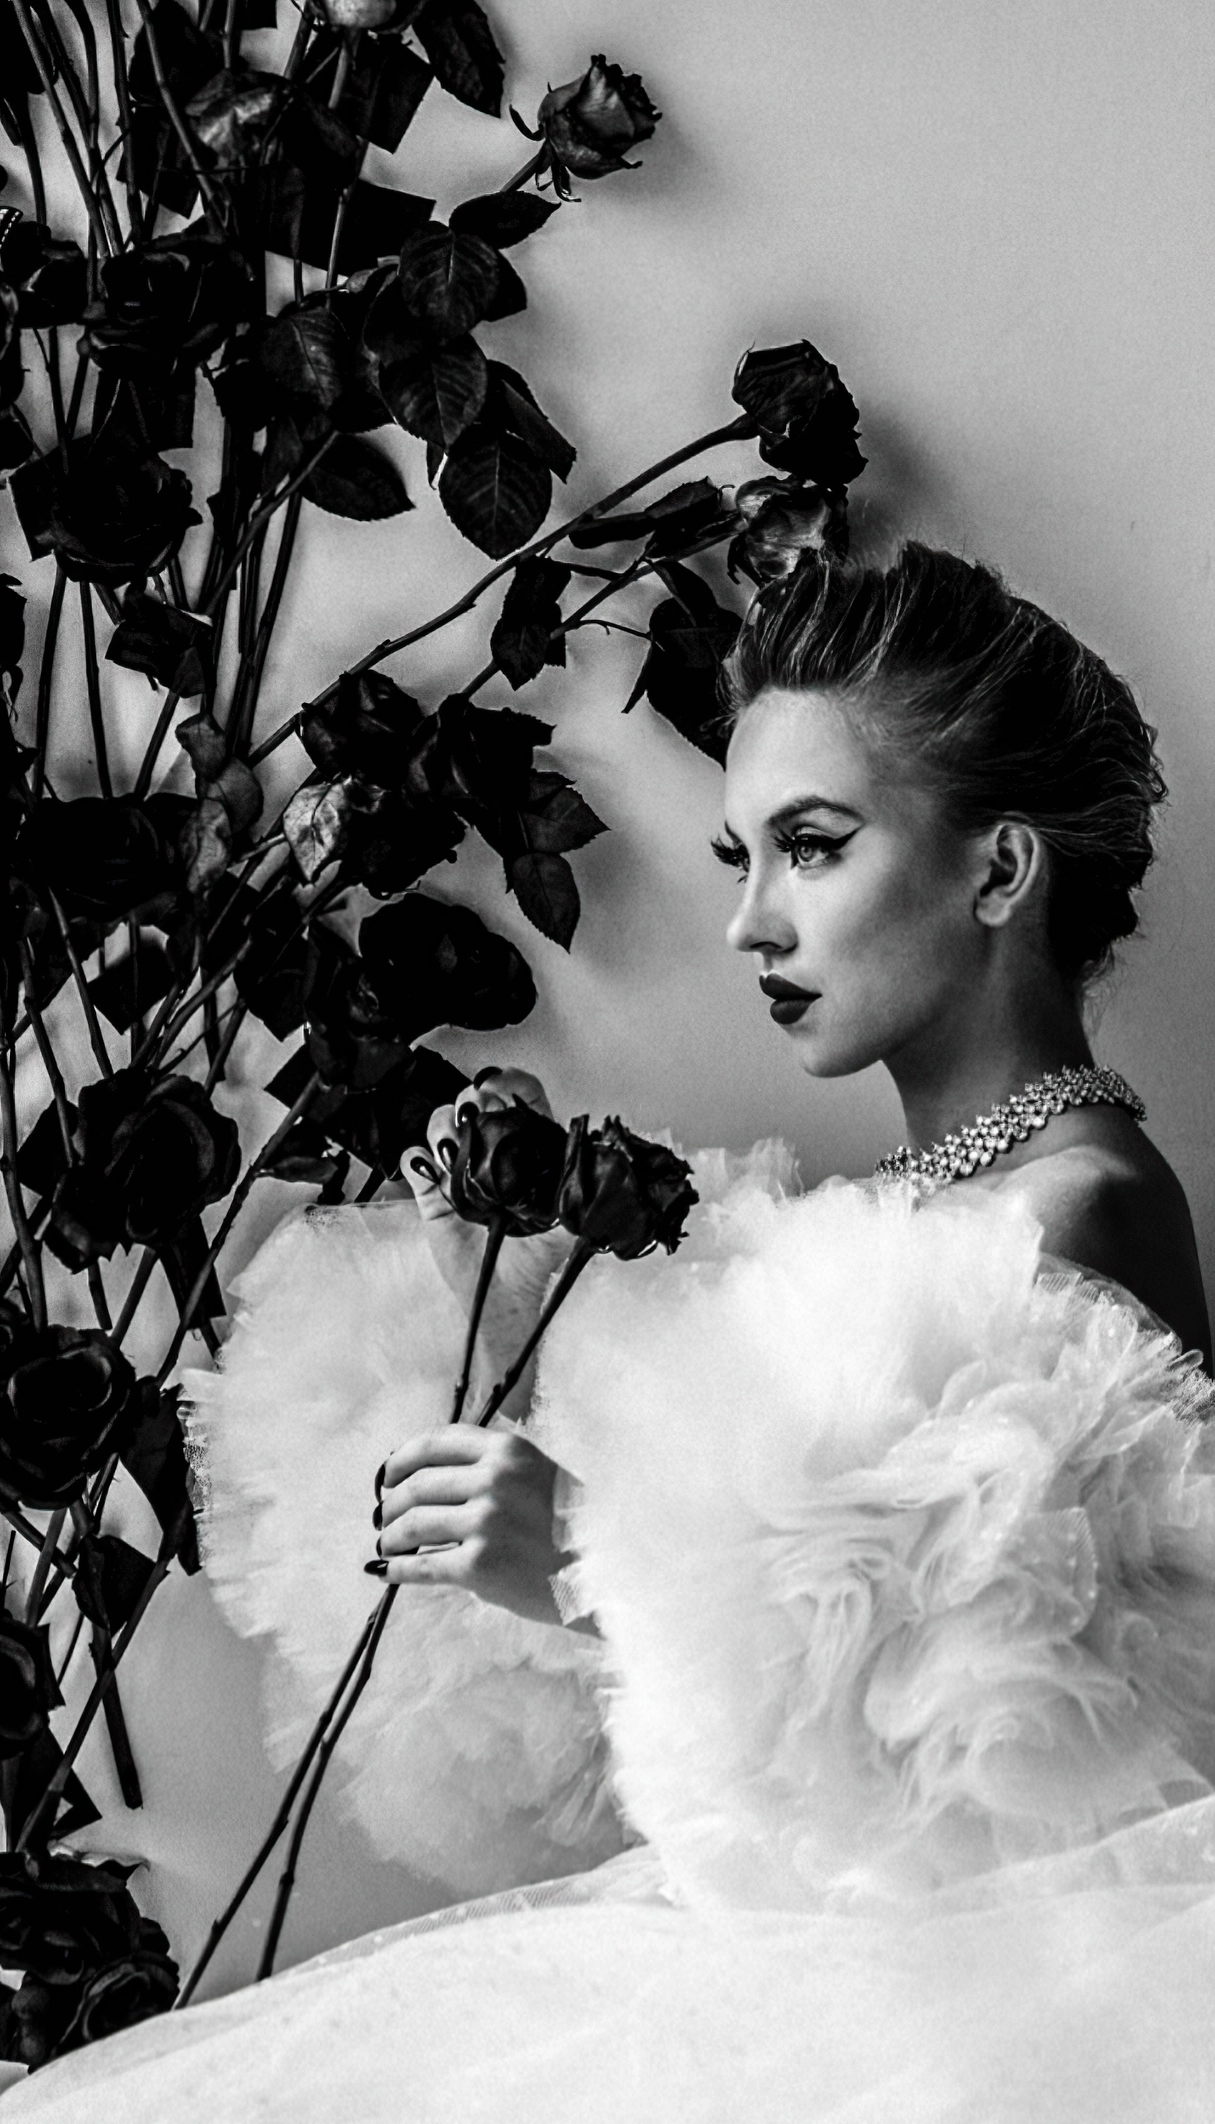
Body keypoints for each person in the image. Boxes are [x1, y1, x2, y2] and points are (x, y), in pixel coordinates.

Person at [12, 544, 1215, 2123]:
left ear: (997, 873)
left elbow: (1014, 1770)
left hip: (975, 2021)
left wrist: (590, 1553)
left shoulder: (1073, 1211)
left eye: (811, 847)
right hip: (822, 1975)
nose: (749, 924)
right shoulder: (909, 1212)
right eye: (739, 856)